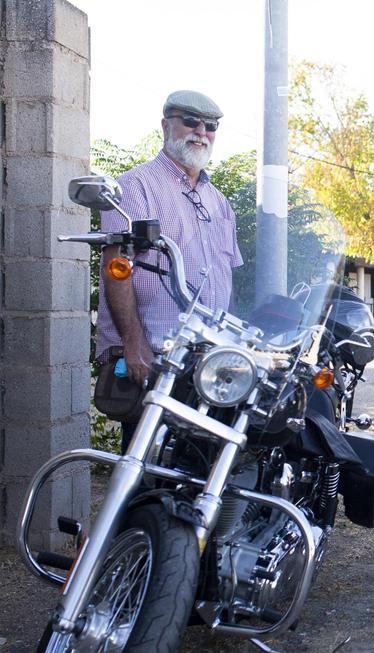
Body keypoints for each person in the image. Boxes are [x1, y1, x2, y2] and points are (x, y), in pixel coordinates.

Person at [95, 90, 243, 446]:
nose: (201, 132)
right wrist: (133, 343)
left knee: (206, 466)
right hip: (157, 361)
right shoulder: (135, 186)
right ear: (166, 126)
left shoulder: (219, 201)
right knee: (146, 464)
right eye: (190, 122)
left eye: (210, 126)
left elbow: (228, 281)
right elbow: (117, 267)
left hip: (208, 366)